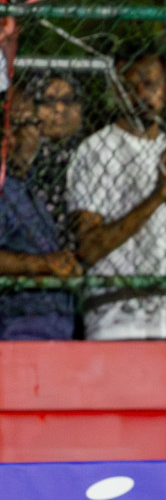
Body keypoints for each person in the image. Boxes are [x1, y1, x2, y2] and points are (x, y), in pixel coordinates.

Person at [66, 49, 166, 341]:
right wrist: (156, 197)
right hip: (116, 321)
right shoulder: (95, 151)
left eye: (150, 84)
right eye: (130, 87)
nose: (141, 95)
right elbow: (88, 249)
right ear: (116, 91)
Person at [0, 89, 81, 340]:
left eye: (32, 123)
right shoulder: (3, 187)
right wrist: (42, 265)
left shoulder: (29, 190)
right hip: (18, 328)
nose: (24, 134)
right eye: (15, 124)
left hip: (54, 331)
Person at [25, 71, 86, 239]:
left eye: (67, 101)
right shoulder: (19, 159)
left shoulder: (91, 153)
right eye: (48, 101)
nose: (59, 109)